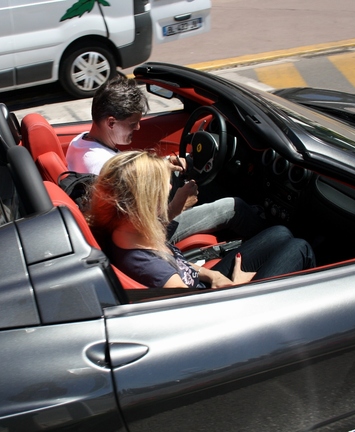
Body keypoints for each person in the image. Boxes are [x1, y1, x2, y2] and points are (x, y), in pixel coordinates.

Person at [66, 74, 265, 242]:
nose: (138, 128)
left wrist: (163, 166)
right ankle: (270, 240)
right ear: (111, 122)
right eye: (132, 123)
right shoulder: (104, 167)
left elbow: (130, 179)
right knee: (232, 207)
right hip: (152, 232)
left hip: (141, 212)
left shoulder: (80, 142)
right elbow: (138, 230)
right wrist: (179, 206)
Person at [88, 151, 316, 289]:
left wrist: (212, 274)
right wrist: (238, 286)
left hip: (207, 283)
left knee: (280, 233)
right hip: (226, 305)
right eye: (161, 186)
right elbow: (199, 316)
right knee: (300, 248)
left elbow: (177, 264)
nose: (169, 187)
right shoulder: (151, 269)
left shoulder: (128, 230)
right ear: (143, 201)